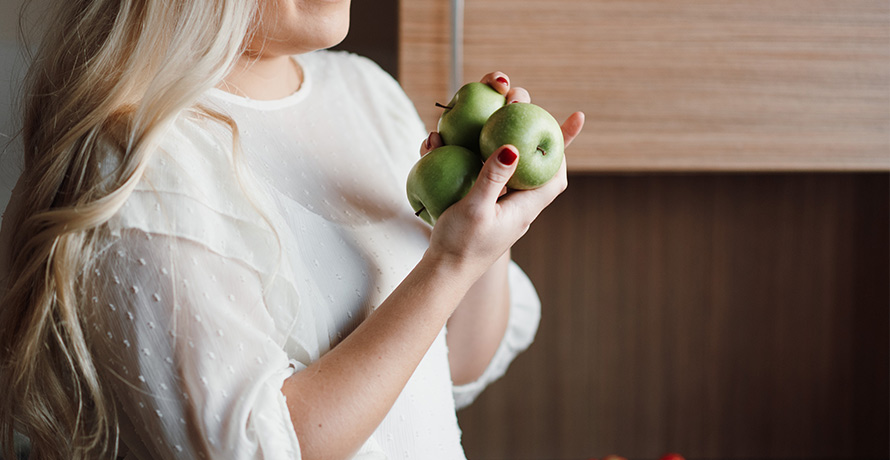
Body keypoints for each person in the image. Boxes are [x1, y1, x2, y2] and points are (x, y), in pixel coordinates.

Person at [0, 0, 585, 459]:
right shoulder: (136, 163)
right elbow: (255, 448)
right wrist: (449, 263)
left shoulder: (364, 91)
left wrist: (490, 215)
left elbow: (452, 366)